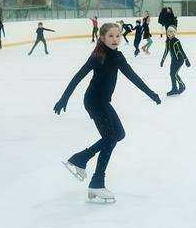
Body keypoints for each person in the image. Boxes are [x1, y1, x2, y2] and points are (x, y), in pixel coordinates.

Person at [56, 23, 161, 203]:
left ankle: (81, 159)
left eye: (117, 36)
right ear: (103, 37)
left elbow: (133, 77)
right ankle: (96, 182)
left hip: (103, 102)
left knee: (119, 134)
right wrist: (64, 98)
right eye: (110, 36)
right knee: (111, 137)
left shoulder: (118, 57)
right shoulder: (98, 56)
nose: (115, 39)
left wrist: (151, 93)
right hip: (94, 101)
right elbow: (78, 76)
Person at [160, 26, 191, 95]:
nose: (169, 33)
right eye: (168, 32)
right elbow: (166, 51)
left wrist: (186, 60)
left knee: (174, 74)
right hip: (173, 60)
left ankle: (182, 86)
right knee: (172, 74)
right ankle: (174, 89)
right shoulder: (167, 41)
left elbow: (181, 51)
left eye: (171, 32)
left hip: (179, 60)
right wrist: (162, 60)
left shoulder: (176, 41)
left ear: (174, 33)